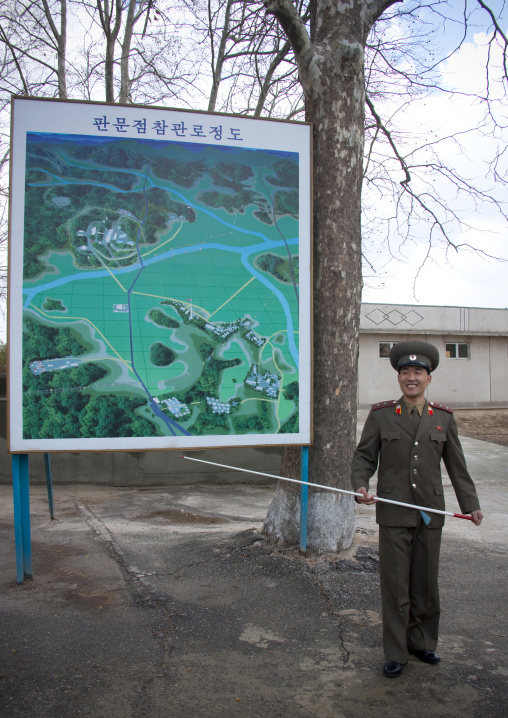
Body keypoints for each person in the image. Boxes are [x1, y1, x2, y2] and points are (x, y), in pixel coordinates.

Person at [350, 340, 483, 678]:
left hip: (430, 511)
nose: (412, 377)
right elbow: (364, 457)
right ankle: (396, 652)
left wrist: (472, 505)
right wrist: (361, 487)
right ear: (399, 378)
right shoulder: (380, 415)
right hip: (394, 513)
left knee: (425, 583)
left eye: (418, 372)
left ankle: (421, 641)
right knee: (395, 585)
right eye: (405, 372)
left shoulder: (443, 418)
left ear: (428, 378)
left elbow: (457, 466)